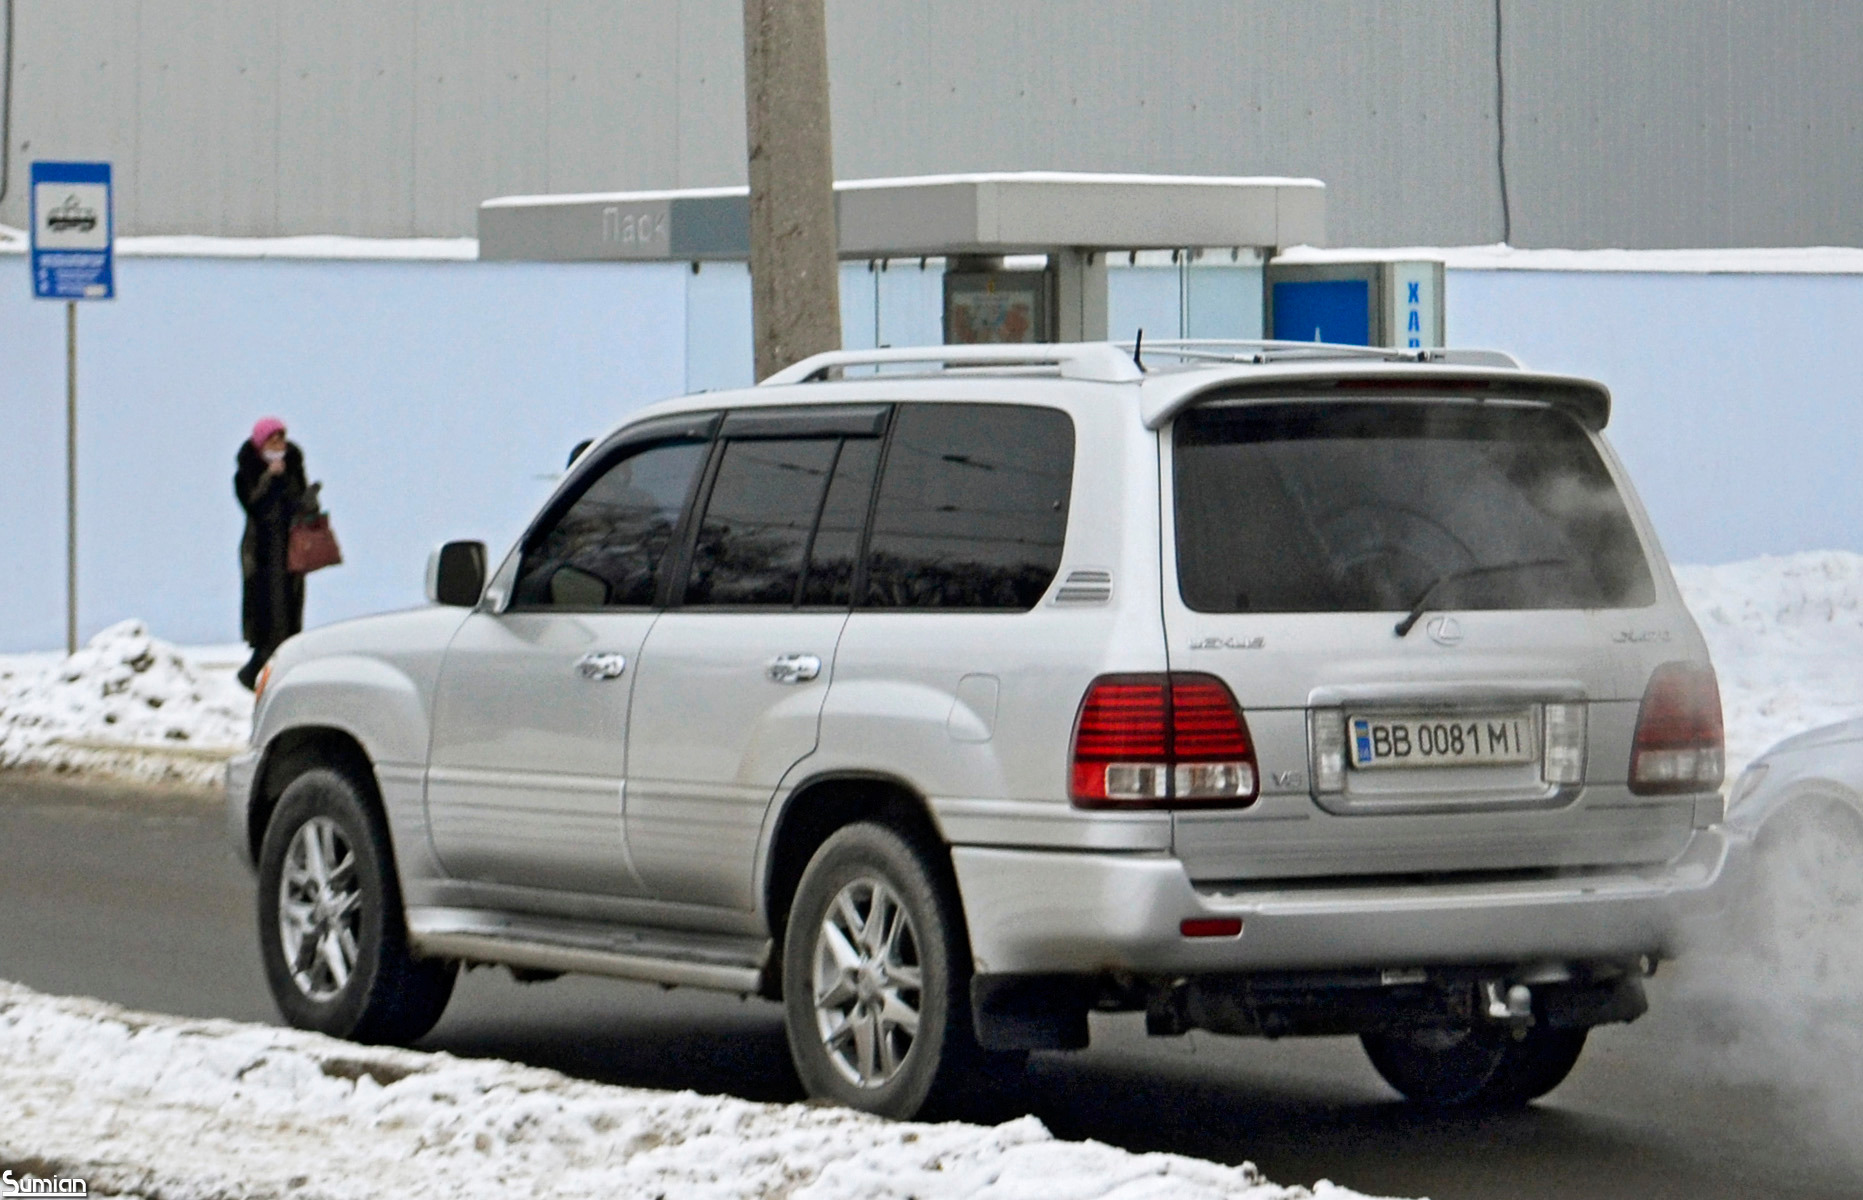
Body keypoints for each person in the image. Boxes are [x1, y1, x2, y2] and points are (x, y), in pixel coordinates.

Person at [234, 417, 313, 689]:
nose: (279, 445)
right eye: (273, 440)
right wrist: (270, 479)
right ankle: (255, 676)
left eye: (282, 439)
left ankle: (278, 674)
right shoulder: (247, 470)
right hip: (261, 556)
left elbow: (299, 503)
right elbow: (253, 506)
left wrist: (305, 496)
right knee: (267, 622)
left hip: (290, 554)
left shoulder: (293, 465)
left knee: (290, 619)